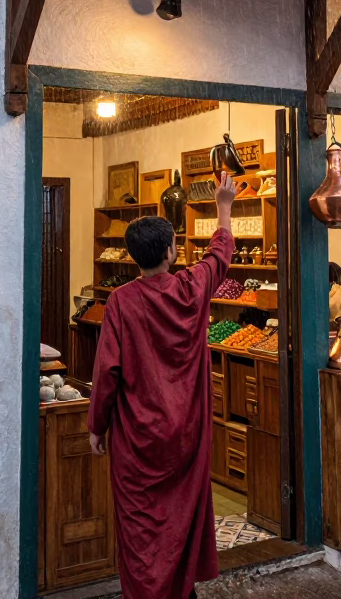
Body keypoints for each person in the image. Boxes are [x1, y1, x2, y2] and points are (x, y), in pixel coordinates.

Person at [87, 171, 237, 599]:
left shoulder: (121, 301)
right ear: (171, 251)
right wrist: (223, 205)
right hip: (186, 436)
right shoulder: (191, 289)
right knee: (181, 518)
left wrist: (97, 426)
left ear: (133, 257)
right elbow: (219, 253)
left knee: (140, 530)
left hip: (138, 440)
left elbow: (107, 373)